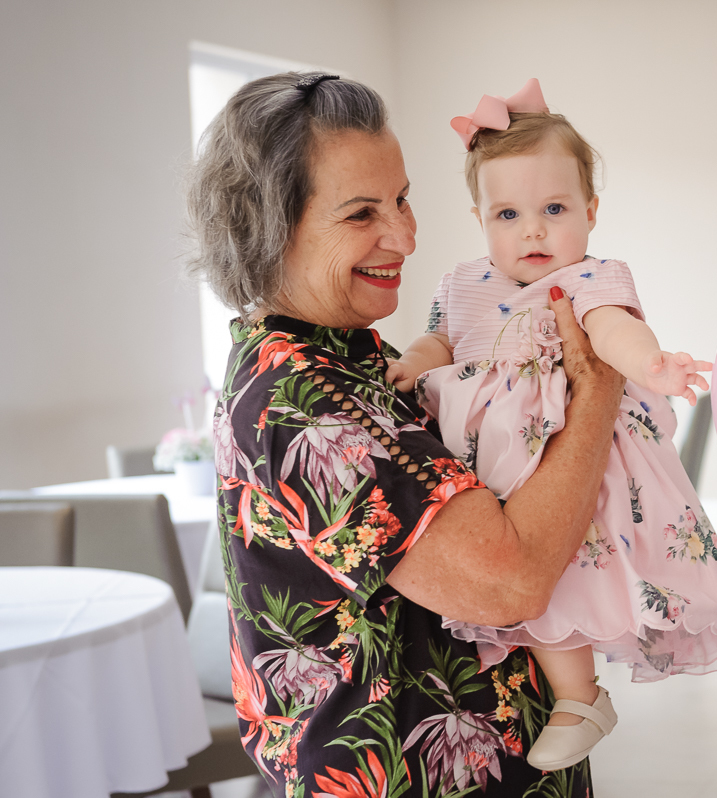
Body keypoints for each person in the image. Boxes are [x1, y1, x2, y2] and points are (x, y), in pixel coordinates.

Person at [189, 72, 625, 797]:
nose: (405, 235)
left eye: (402, 198)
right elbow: (507, 581)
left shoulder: (361, 360)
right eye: (363, 214)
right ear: (266, 227)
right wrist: (598, 392)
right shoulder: (301, 400)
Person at [387, 79, 717, 771]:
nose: (532, 230)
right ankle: (568, 693)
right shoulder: (462, 284)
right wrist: (410, 362)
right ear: (479, 218)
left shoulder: (587, 279)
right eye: (508, 213)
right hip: (489, 471)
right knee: (515, 571)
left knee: (564, 574)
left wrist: (654, 363)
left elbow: (612, 333)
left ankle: (578, 698)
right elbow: (440, 341)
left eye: (553, 208)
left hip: (562, 456)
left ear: (589, 210)